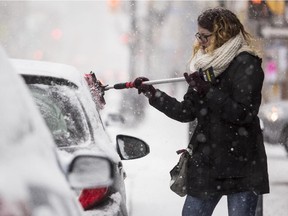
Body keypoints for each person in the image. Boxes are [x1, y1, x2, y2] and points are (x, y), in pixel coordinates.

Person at [132, 7, 269, 216]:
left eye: (205, 36)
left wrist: (208, 91)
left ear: (222, 34)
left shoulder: (246, 63)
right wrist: (153, 94)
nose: (200, 41)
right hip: (208, 164)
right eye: (199, 35)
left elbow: (243, 113)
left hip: (242, 166)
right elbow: (186, 112)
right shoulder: (205, 66)